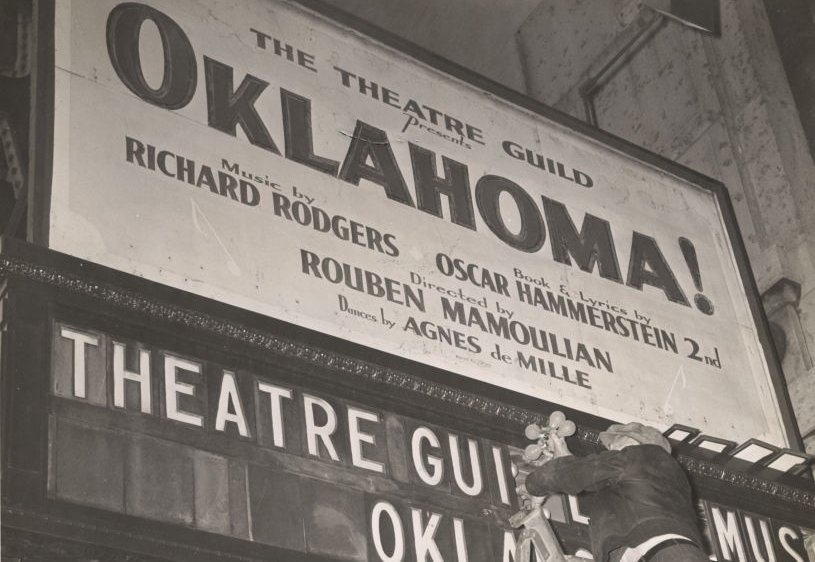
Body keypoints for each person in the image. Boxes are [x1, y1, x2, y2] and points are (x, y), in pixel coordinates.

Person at [517, 422, 708, 562]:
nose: (611, 448)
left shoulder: (645, 455)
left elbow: (582, 472)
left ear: (635, 444)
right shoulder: (654, 480)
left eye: (616, 443)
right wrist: (563, 459)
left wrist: (534, 484)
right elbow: (586, 473)